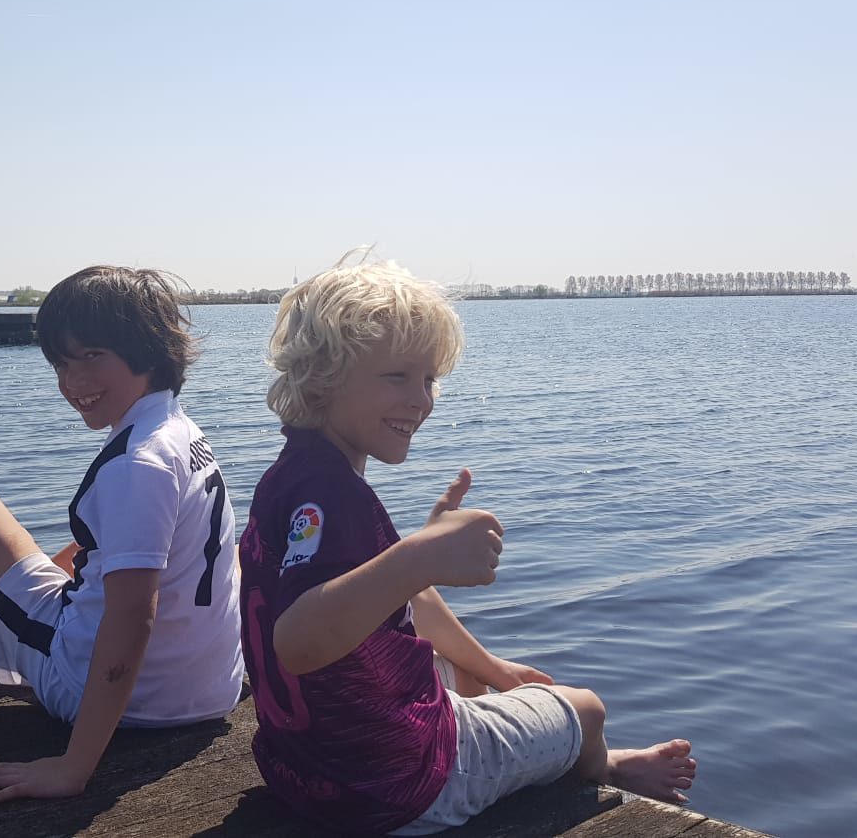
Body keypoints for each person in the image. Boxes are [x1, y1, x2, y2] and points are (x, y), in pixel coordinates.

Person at [239, 255, 696, 835]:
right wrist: (419, 554)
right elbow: (298, 642)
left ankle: (495, 731)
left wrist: (492, 666)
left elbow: (383, 594)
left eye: (428, 379)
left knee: (463, 671)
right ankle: (604, 766)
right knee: (586, 708)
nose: (421, 399)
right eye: (397, 376)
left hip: (302, 773)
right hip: (395, 790)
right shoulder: (334, 496)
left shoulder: (293, 478)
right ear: (324, 375)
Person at [0, 264, 244, 803]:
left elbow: (131, 617)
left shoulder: (136, 464)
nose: (73, 382)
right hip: (212, 691)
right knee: (77, 563)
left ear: (146, 350)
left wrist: (74, 767)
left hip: (125, 699)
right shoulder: (180, 432)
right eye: (61, 363)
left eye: (92, 356)